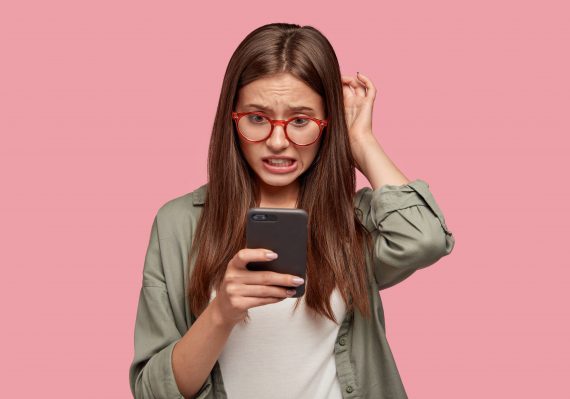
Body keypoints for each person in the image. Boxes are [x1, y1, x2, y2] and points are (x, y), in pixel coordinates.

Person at [129, 22, 455, 399]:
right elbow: (153, 392)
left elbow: (426, 238)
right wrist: (222, 313)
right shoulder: (178, 224)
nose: (278, 141)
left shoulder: (356, 221)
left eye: (300, 121)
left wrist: (361, 140)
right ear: (231, 121)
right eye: (257, 119)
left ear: (326, 123)